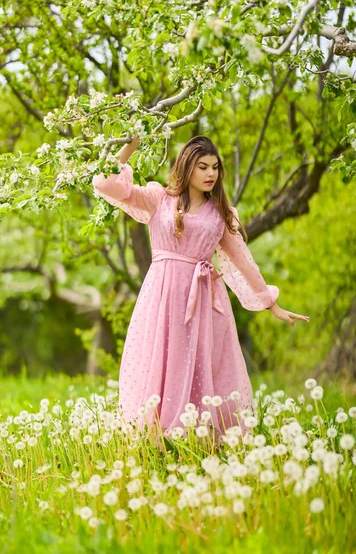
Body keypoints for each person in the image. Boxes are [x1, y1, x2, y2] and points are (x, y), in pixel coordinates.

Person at [92, 134, 309, 443]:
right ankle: (157, 438)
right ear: (187, 168)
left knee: (196, 362)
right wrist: (131, 143)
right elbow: (106, 185)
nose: (210, 174)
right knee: (160, 359)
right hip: (162, 294)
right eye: (203, 167)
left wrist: (270, 303)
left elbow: (243, 262)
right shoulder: (158, 198)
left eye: (215, 168)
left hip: (201, 299)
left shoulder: (220, 214)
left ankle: (198, 437)